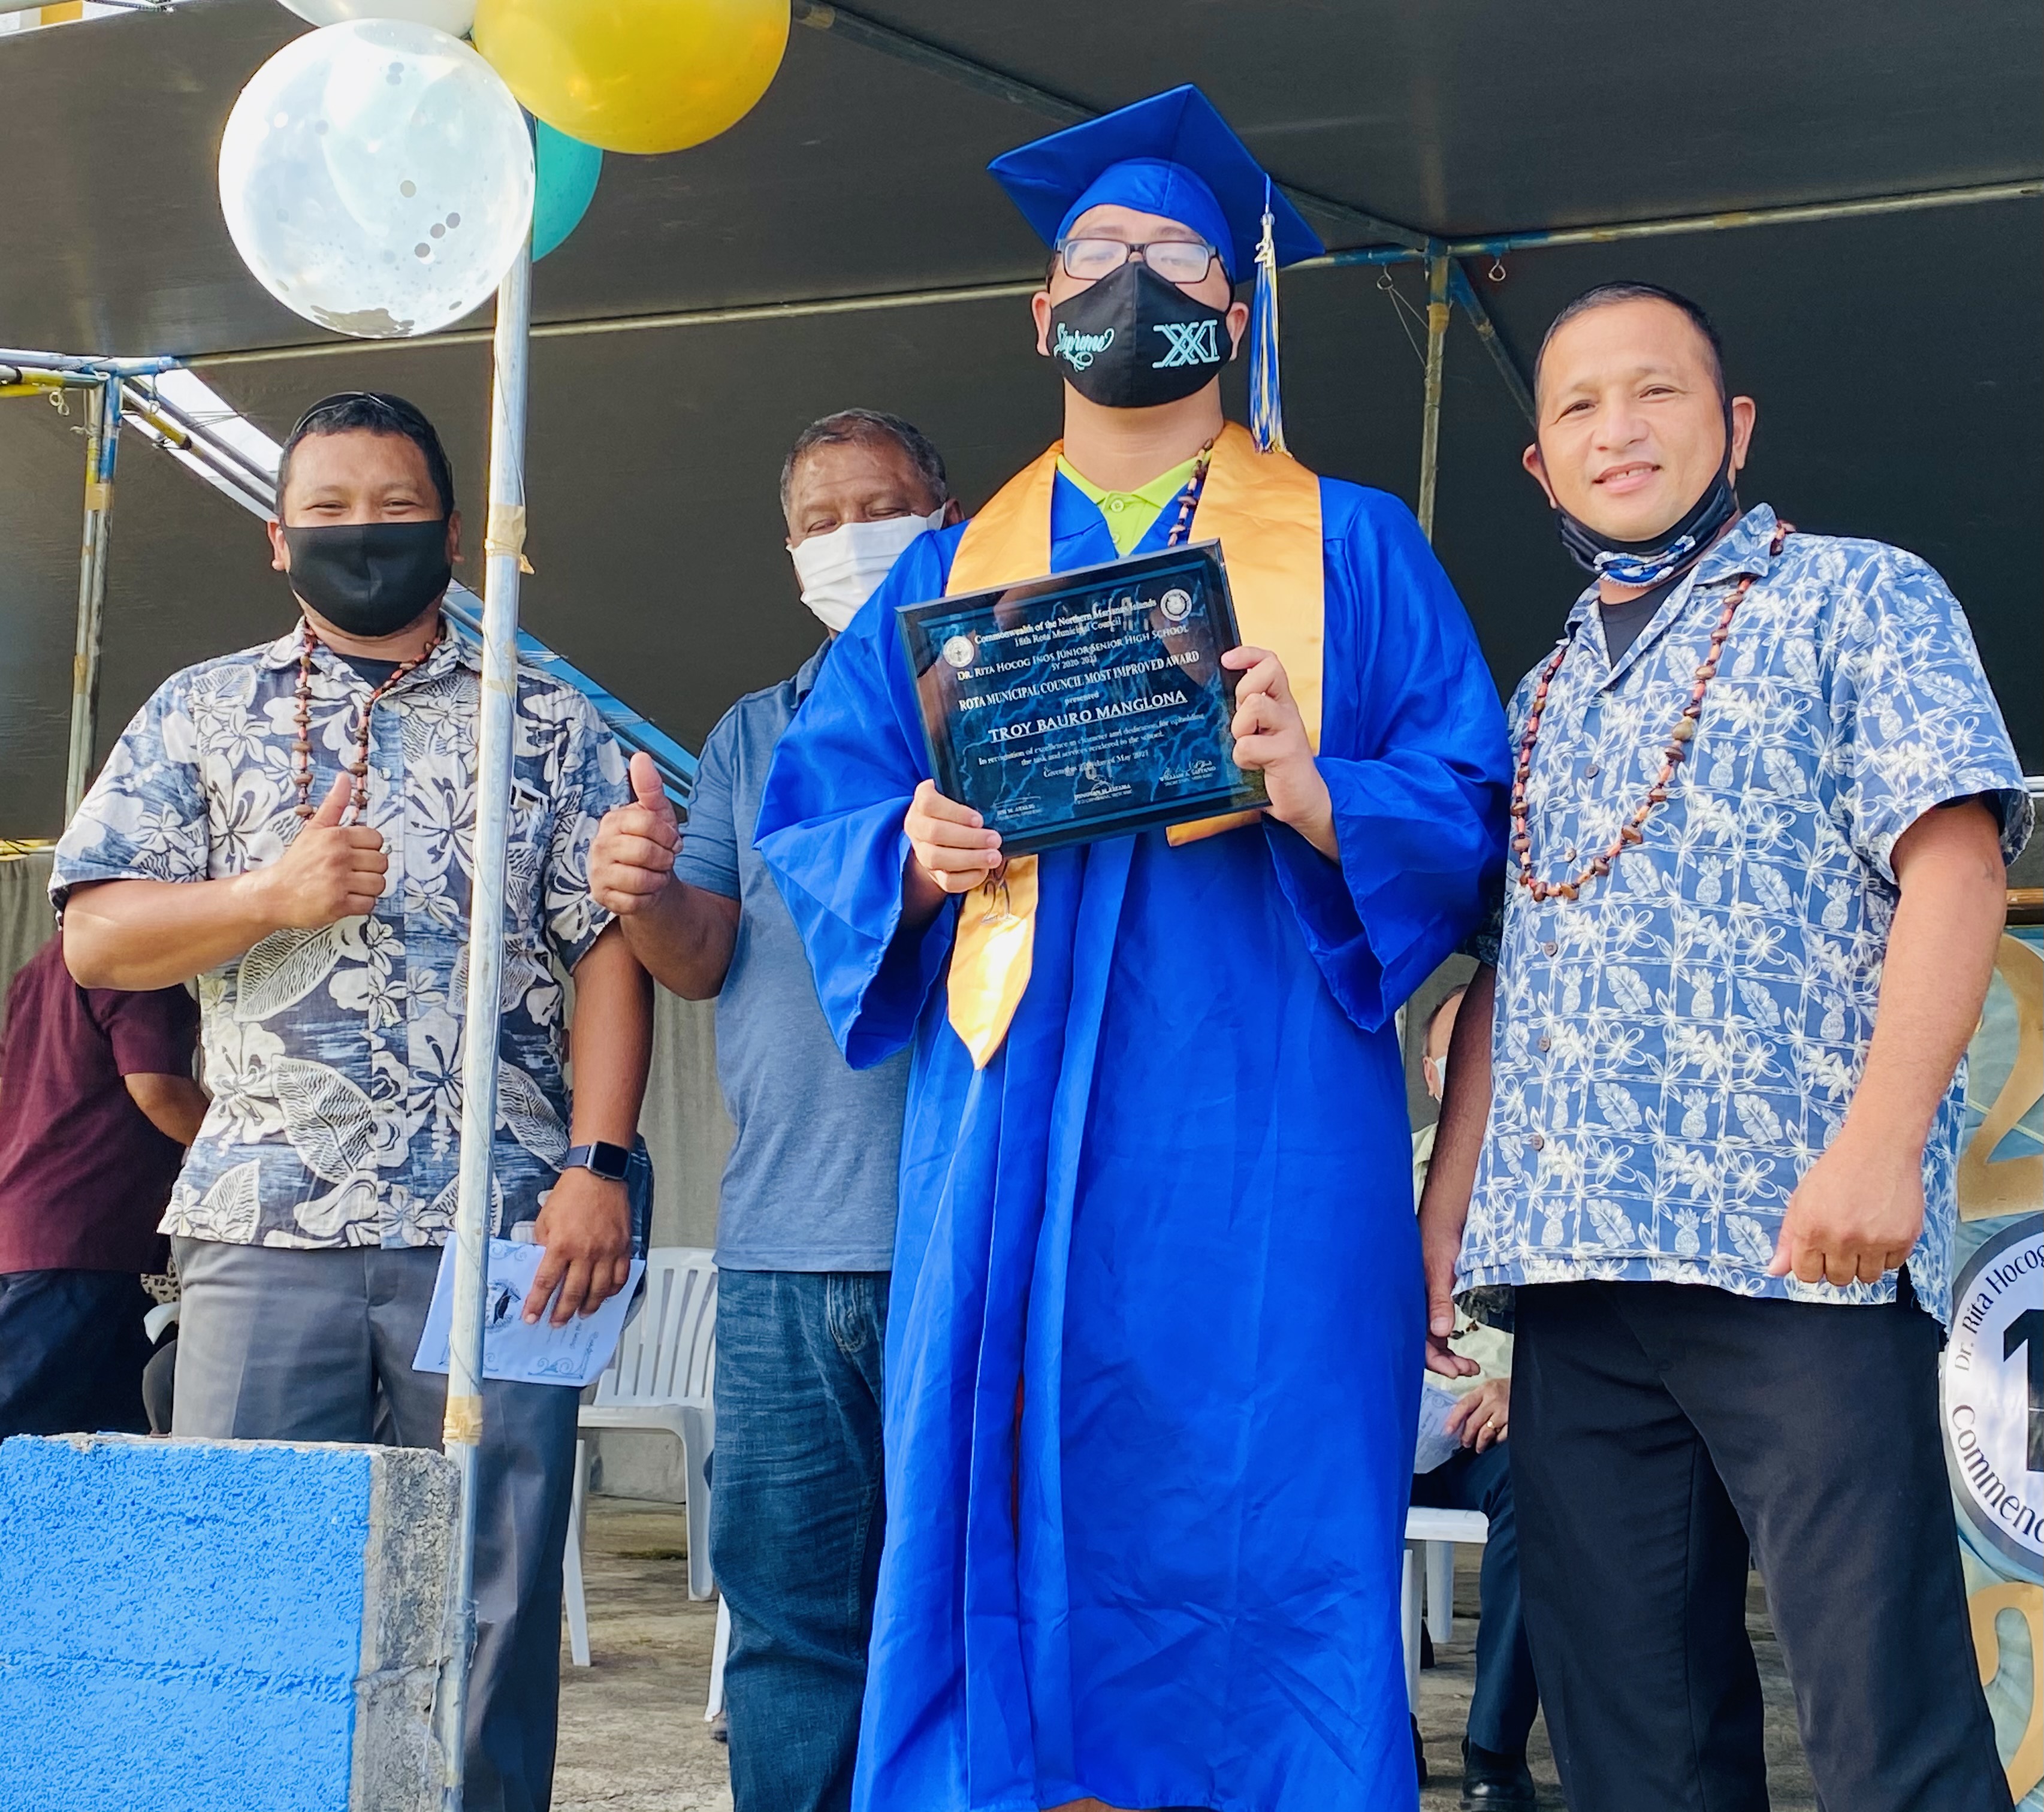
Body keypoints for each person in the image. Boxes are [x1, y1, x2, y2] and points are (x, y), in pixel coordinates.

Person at [755, 86, 1511, 1812]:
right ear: (1040, 317)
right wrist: (910, 848)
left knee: (1265, 1491)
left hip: (1264, 1112)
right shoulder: (952, 565)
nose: (1130, 283)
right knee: (1005, 1469)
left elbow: (1469, 813)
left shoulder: (1355, 547)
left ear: (1231, 309)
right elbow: (828, 805)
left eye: (1172, 256)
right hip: (1014, 1106)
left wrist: (1317, 790)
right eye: (1095, 257)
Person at [1417, 282, 2028, 1812]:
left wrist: (1886, 1142)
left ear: (1733, 425)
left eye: (1656, 393)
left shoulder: (1860, 596)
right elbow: (1510, 975)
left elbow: (1954, 865)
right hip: (1568, 1275)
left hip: (1796, 1253)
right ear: (1540, 469)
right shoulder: (1540, 694)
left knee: (1884, 1720)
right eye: (1577, 409)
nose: (1617, 430)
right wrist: (1445, 1222)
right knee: (1635, 1741)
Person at [52, 391, 652, 1812]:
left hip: (507, 1224)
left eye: (393, 507)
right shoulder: (198, 711)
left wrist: (602, 1164)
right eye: (327, 510)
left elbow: (612, 953)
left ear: (455, 529)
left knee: (492, 1590)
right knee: (250, 1585)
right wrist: (268, 897)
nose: (362, 532)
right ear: (276, 540)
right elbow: (96, 937)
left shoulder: (550, 721)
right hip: (265, 1223)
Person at [587, 407, 959, 1812]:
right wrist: (644, 887)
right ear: (788, 548)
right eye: (820, 517)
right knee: (793, 1629)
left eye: (884, 504)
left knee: (968, 1613)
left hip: (961, 1231)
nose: (851, 536)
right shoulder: (753, 734)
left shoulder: (1020, 700)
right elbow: (700, 956)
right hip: (782, 1255)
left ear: (950, 512)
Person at [1407, 984, 1537, 1808]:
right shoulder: (1378, 1173)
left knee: (1542, 1485)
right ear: (1431, 1073)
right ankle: (1376, 1727)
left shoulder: (1546, 1189)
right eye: (1461, 1060)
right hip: (1379, 1421)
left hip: (1490, 1425)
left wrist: (1524, 1382)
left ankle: (1491, 1750)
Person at [0, 930, 205, 1437]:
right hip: (79, 1234)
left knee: (118, 1435)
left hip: (37, 1229)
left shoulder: (40, 967)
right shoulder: (131, 964)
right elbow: (157, 1089)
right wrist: (243, 1147)